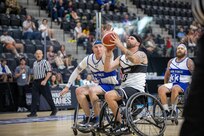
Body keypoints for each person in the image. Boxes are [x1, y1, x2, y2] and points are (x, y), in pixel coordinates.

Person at [60, 40, 118, 125]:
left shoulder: (107, 56)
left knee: (92, 90)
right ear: (92, 49)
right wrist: (67, 86)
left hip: (110, 85)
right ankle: (88, 117)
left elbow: (110, 50)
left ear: (104, 48)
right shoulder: (88, 59)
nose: (98, 49)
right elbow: (76, 71)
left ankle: (98, 118)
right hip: (99, 85)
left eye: (100, 46)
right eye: (96, 47)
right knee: (78, 90)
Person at [104, 33, 148, 129]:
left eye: (132, 38)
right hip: (124, 88)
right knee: (108, 96)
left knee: (109, 95)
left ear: (138, 43)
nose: (128, 39)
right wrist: (108, 54)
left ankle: (120, 124)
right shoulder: (121, 58)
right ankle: (120, 121)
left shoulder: (142, 54)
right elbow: (107, 69)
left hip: (136, 89)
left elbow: (134, 60)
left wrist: (120, 45)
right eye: (128, 38)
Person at [158, 44, 194, 116]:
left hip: (184, 84)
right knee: (161, 88)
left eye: (182, 48)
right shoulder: (171, 61)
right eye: (178, 48)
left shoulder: (189, 61)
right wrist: (165, 84)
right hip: (173, 83)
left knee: (175, 88)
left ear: (185, 52)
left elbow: (194, 74)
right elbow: (167, 74)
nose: (179, 50)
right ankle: (166, 111)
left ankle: (173, 111)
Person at [27, 50, 57, 117]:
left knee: (48, 97)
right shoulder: (34, 63)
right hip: (36, 82)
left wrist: (45, 80)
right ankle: (33, 113)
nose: (38, 55)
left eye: (39, 54)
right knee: (34, 98)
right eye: (37, 54)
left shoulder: (45, 62)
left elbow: (49, 72)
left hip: (43, 81)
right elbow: (34, 73)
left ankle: (54, 109)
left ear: (42, 55)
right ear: (35, 55)